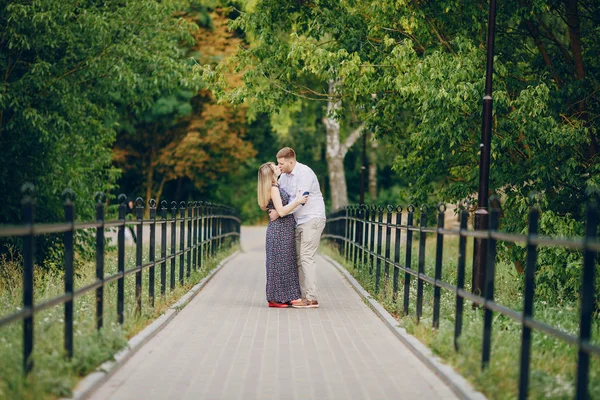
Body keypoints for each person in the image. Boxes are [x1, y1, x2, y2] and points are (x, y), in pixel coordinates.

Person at [270, 147, 326, 309]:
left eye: (281, 163)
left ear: (291, 161)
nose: (279, 166)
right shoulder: (284, 177)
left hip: (312, 218)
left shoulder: (305, 173)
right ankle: (302, 296)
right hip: (297, 221)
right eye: (278, 163)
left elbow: (301, 200)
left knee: (306, 256)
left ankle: (311, 297)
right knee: (298, 259)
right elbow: (279, 197)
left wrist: (280, 213)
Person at [257, 162, 308, 308]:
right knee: (281, 263)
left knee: (284, 262)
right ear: (271, 174)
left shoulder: (274, 186)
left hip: (281, 228)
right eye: (275, 167)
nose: (278, 167)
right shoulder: (273, 188)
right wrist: (298, 201)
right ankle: (276, 298)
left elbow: (267, 207)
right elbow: (281, 211)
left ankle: (284, 296)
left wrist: (273, 211)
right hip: (280, 230)